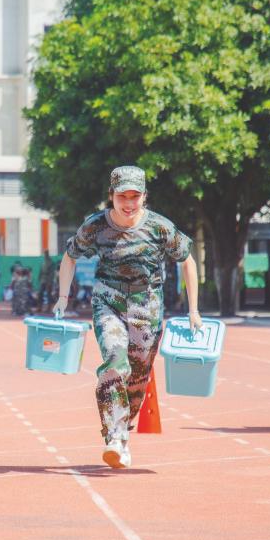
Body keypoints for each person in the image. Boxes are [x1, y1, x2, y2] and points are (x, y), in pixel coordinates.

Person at [53, 166, 200, 469]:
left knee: (138, 376)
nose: (129, 203)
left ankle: (124, 429)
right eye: (123, 196)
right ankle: (114, 437)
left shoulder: (159, 227)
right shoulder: (95, 227)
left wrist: (193, 310)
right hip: (108, 301)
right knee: (114, 364)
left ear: (144, 197)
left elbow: (188, 261)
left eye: (135, 196)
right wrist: (62, 298)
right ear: (112, 196)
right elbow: (69, 257)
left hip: (147, 306)